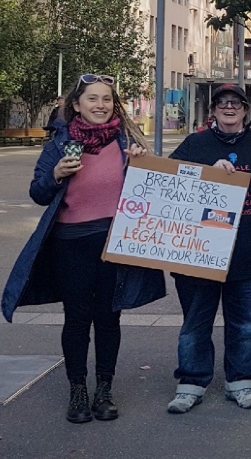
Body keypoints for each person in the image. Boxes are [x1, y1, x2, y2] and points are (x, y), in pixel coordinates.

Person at [1, 74, 166, 423]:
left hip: (114, 242)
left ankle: (104, 390)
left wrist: (142, 167)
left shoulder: (126, 142)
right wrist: (56, 174)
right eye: (92, 99)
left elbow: (152, 193)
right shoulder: (60, 144)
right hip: (70, 244)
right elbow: (38, 193)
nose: (101, 106)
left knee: (109, 317)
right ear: (76, 105)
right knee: (77, 318)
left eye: (106, 99)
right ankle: (78, 390)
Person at [164, 85, 251, 414]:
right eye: (222, 103)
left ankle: (241, 383)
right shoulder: (195, 144)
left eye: (236, 103)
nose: (229, 108)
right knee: (195, 323)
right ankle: (190, 384)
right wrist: (206, 173)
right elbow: (169, 186)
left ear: (246, 110)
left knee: (248, 324)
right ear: (213, 111)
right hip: (199, 252)